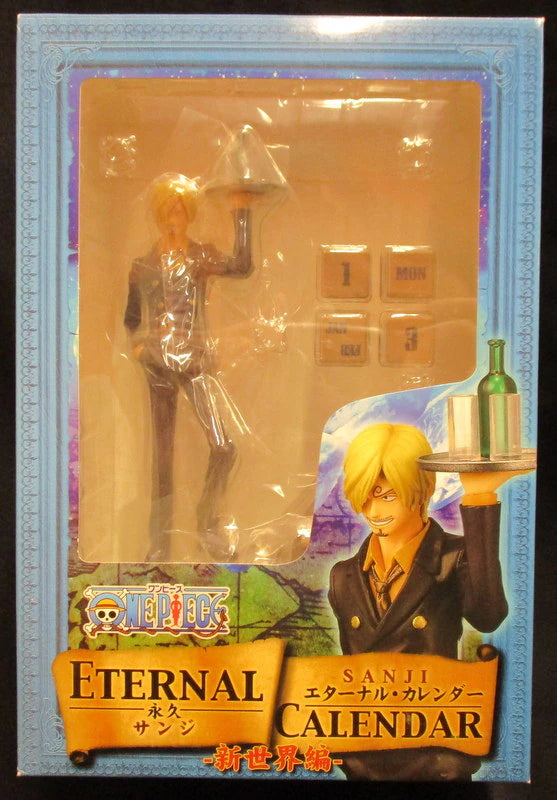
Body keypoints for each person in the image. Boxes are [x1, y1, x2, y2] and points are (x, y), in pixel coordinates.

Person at [329, 422, 515, 780]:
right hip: (365, 757)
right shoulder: (343, 576)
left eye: (388, 496)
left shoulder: (453, 558)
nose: (374, 510)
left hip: (434, 754)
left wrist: (479, 498)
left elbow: (488, 615)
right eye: (366, 496)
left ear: (421, 490)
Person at [124, 173, 252, 560]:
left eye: (179, 210)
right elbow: (132, 316)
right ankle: (159, 546)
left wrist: (241, 211)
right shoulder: (143, 264)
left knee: (224, 447)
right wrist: (140, 347)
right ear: (158, 214)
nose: (173, 216)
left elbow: (241, 265)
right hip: (158, 364)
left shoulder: (200, 256)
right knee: (162, 461)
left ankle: (207, 521)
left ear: (189, 214)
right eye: (167, 210)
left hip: (194, 361)